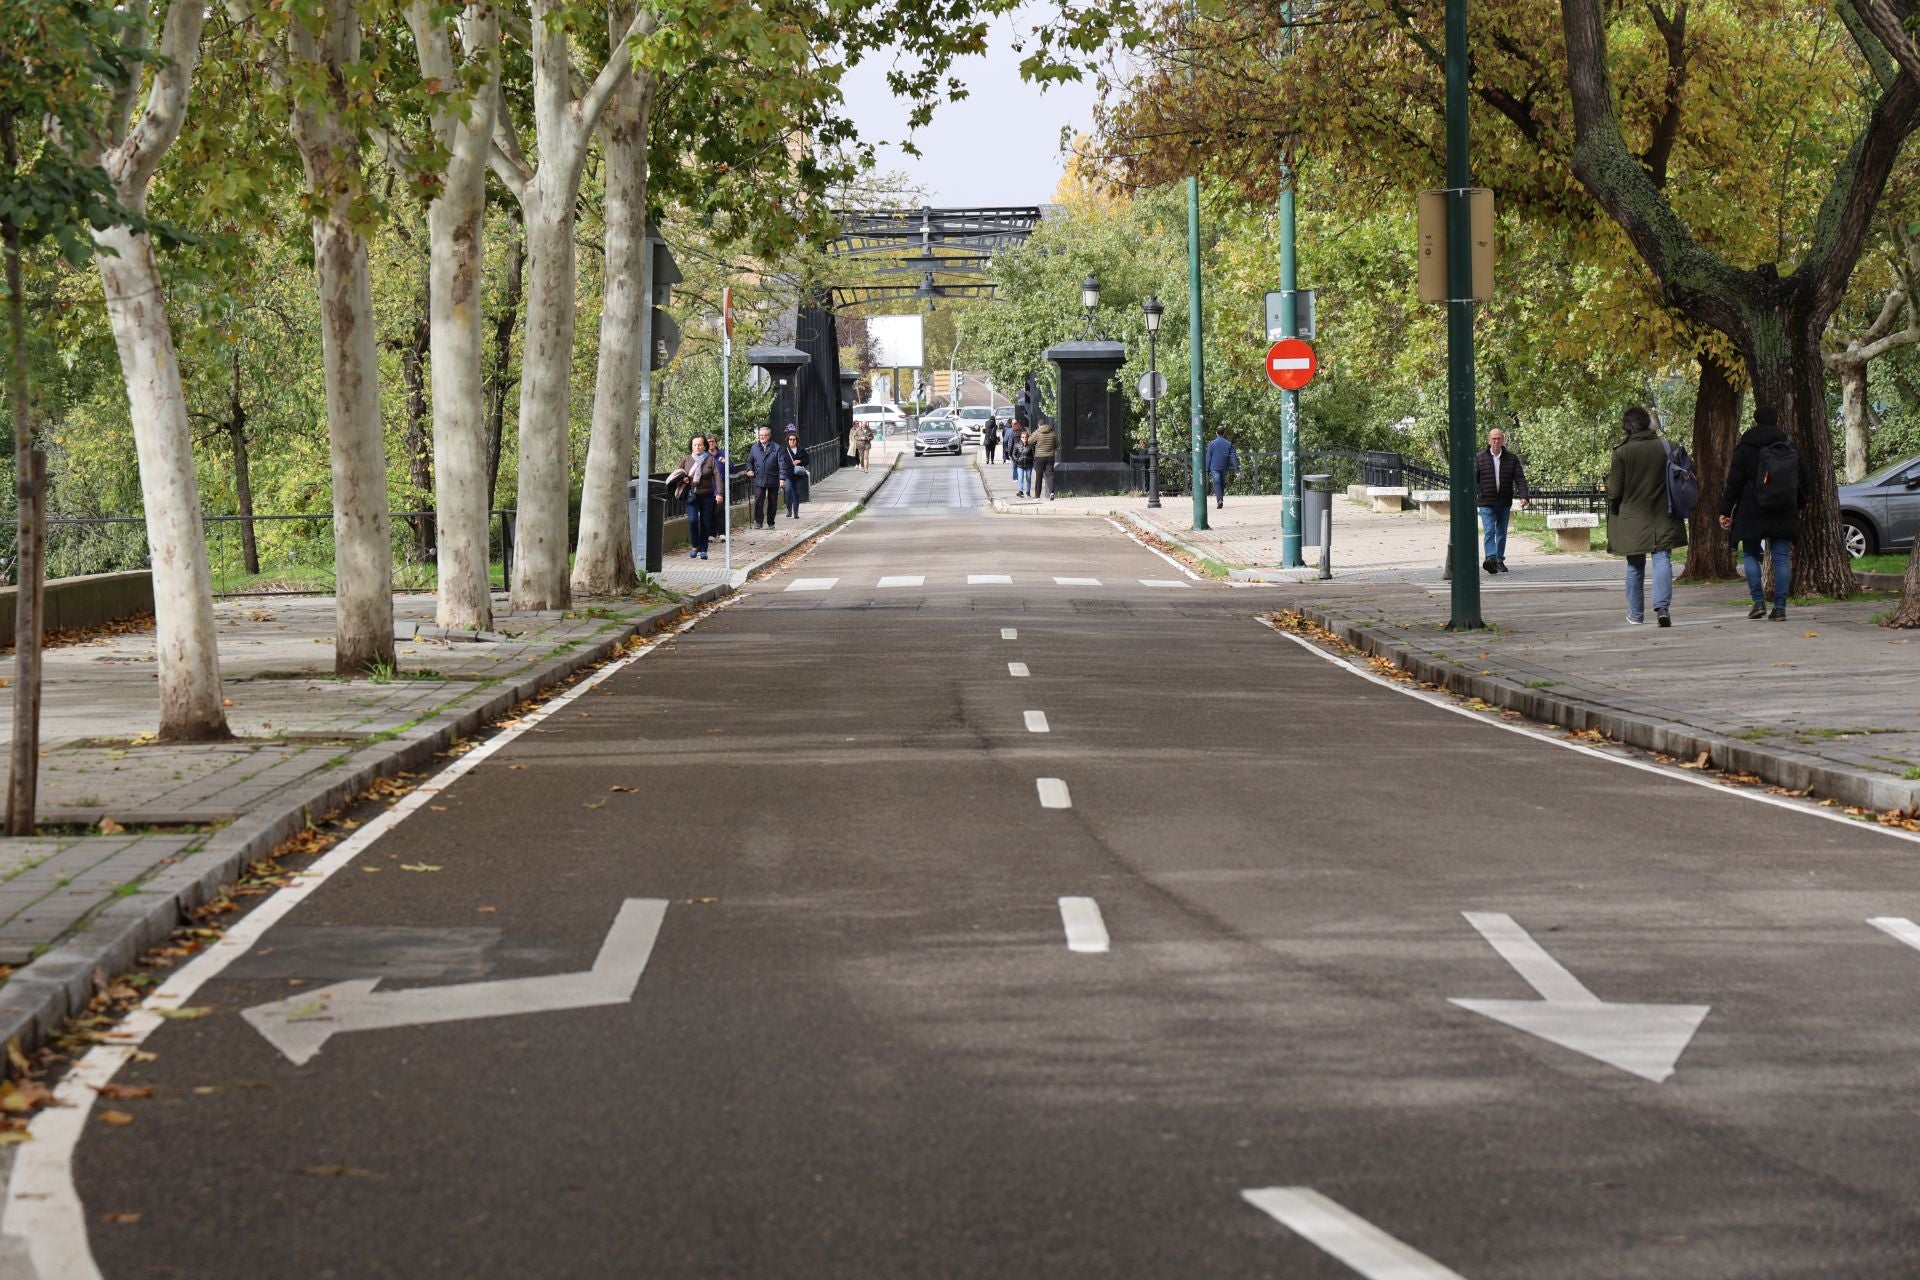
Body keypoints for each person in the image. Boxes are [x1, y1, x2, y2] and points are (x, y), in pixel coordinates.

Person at [1718, 405, 1811, 620]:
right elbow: (1804, 478)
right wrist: (1801, 503)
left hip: (1751, 508)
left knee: (1750, 553)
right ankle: (1780, 608)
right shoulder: (1788, 446)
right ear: (1777, 422)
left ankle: (1758, 602)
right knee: (1780, 557)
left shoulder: (1745, 448)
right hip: (1783, 507)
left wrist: (1725, 510)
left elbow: (1733, 482)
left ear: (1755, 422)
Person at [1606, 405, 1687, 627]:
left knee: (1634, 564)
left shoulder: (1622, 452)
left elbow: (1614, 490)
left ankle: (1636, 614)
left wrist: (1614, 509)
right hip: (1665, 514)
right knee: (1663, 558)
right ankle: (1662, 608)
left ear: (1627, 427)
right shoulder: (1669, 447)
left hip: (1633, 517)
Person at [1474, 427, 1530, 574]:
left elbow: (1520, 478)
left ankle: (1499, 560)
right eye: (1493, 438)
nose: (1496, 441)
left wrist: (1524, 495)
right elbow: (1473, 480)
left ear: (1503, 440)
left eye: (1499, 438)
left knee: (1501, 533)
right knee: (1489, 531)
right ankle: (1491, 559)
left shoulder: (1511, 458)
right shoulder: (1479, 458)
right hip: (1486, 501)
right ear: (1488, 440)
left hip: (1504, 501)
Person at [673, 434, 718, 560]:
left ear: (705, 446)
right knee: (692, 520)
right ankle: (694, 545)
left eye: (700, 444)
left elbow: (717, 476)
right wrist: (684, 479)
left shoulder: (710, 460)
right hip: (691, 495)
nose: (697, 447)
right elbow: (677, 475)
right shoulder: (686, 459)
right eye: (695, 445)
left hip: (707, 495)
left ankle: (703, 549)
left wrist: (719, 493)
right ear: (691, 446)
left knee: (705, 522)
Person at [746, 424, 791, 530]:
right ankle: (759, 522)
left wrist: (782, 478)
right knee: (758, 501)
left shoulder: (776, 447)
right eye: (761, 435)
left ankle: (771, 522)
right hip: (759, 478)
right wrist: (749, 470)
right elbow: (749, 462)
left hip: (773, 478)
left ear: (769, 436)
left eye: (765, 435)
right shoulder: (754, 448)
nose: (762, 437)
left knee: (773, 501)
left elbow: (781, 464)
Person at [1205, 426, 1240, 510]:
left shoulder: (1212, 443)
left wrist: (1206, 469)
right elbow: (1233, 457)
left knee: (1217, 483)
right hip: (1224, 466)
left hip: (1214, 467)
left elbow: (1208, 457)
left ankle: (1219, 500)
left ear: (1216, 433)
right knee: (1221, 483)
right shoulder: (1228, 443)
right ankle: (1220, 500)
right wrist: (1237, 469)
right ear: (1224, 433)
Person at [1030, 417, 1060, 500]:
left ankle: (1037, 496)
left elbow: (1029, 441)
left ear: (1038, 425)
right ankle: (1052, 492)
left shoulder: (1037, 432)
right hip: (1050, 457)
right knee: (1050, 475)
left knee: (1039, 476)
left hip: (1039, 457)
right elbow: (1057, 445)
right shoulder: (1052, 432)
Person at [783, 429, 808, 520]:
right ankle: (789, 509)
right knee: (788, 491)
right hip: (788, 474)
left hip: (798, 475)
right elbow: (782, 462)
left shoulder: (801, 450)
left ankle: (796, 512)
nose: (792, 441)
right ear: (788, 441)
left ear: (797, 441)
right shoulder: (785, 450)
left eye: (794, 439)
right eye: (790, 439)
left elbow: (807, 460)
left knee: (796, 493)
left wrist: (800, 461)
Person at [1009, 426, 1033, 497]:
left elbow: (1033, 454)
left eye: (1025, 437)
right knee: (1020, 477)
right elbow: (1013, 454)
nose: (1024, 439)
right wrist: (1017, 460)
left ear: (1027, 437)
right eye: (1022, 437)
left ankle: (1028, 492)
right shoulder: (1017, 445)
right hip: (1020, 464)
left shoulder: (1030, 446)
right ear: (1020, 438)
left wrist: (1033, 461)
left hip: (1029, 464)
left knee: (1028, 478)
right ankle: (1020, 491)